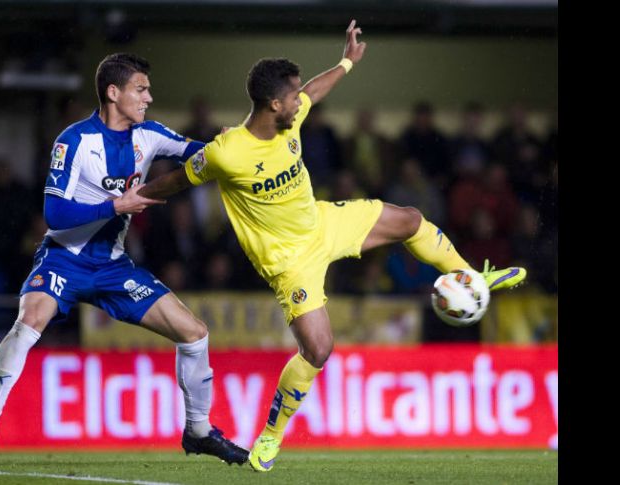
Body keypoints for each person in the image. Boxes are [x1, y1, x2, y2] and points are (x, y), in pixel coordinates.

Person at [138, 20, 527, 472]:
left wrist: (347, 61)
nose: (300, 101)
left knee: (409, 220)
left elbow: (314, 92)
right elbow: (175, 181)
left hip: (323, 222)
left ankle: (471, 276)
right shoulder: (227, 152)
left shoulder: (290, 116)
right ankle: (272, 433)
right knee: (319, 350)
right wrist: (134, 198)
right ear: (273, 103)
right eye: (292, 96)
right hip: (289, 261)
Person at [0, 53, 248, 468]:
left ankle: (199, 430)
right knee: (29, 322)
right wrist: (117, 205)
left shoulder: (149, 135)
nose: (149, 97)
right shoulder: (74, 141)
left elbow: (198, 153)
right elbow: (55, 214)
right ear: (113, 92)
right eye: (141, 89)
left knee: (194, 333)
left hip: (113, 266)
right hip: (64, 259)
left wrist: (228, 145)